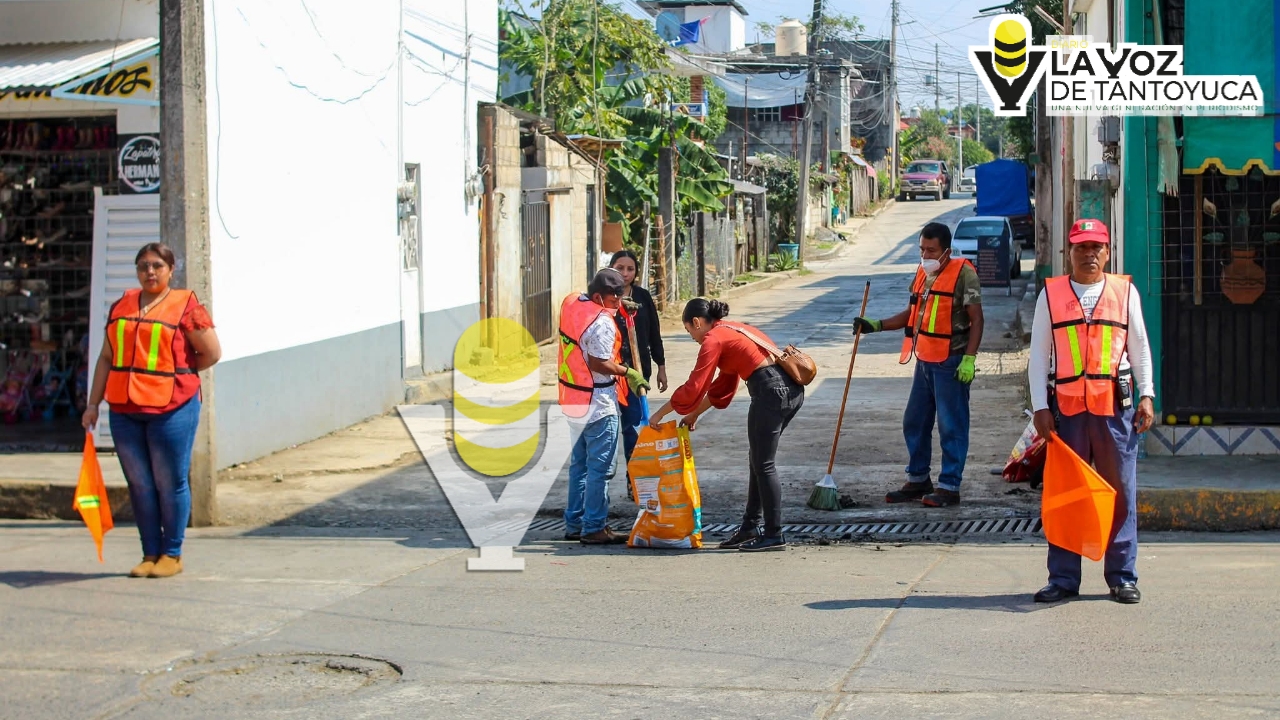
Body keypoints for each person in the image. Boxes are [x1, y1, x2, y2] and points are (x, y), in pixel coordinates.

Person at [1029, 218, 1154, 605]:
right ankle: (1063, 578)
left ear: (1107, 252)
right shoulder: (1050, 295)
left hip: (1114, 410)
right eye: (1081, 247)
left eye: (1095, 247)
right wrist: (1039, 407)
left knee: (1121, 492)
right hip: (1067, 412)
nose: (1089, 254)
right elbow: (1039, 356)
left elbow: (1139, 346)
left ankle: (1122, 576)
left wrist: (1147, 394)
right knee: (1068, 494)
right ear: (1069, 252)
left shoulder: (1125, 292)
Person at [81, 243, 221, 579]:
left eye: (157, 265)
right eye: (143, 266)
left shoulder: (186, 306)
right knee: (139, 484)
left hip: (172, 407)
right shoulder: (122, 305)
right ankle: (149, 553)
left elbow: (212, 353)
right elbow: (106, 358)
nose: (150, 272)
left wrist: (179, 375)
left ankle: (172, 553)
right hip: (124, 408)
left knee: (169, 481)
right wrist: (92, 404)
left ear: (171, 270)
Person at [649, 299, 804, 552]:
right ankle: (750, 528)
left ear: (696, 322)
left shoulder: (713, 339)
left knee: (763, 464)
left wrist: (659, 413)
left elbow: (694, 386)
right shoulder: (733, 329)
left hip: (770, 392)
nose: (693, 338)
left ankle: (774, 535)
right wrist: (694, 415)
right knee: (758, 460)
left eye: (689, 331)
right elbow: (723, 387)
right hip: (789, 390)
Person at [852, 221, 984, 507]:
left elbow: (977, 319)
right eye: (922, 249)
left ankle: (949, 486)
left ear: (947, 251)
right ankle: (918, 478)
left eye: (931, 250)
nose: (925, 255)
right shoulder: (923, 273)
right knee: (914, 421)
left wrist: (969, 358)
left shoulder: (964, 274)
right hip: (924, 359)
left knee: (951, 425)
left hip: (951, 361)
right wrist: (876, 325)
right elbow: (911, 314)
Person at [557, 268, 649, 545]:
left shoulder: (572, 303)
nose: (617, 304)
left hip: (573, 398)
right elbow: (599, 362)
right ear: (598, 297)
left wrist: (618, 308)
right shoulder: (602, 323)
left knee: (580, 466)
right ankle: (594, 527)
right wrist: (627, 372)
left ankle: (575, 523)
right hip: (598, 403)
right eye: (613, 300)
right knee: (601, 469)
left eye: (621, 298)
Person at [607, 250, 668, 480]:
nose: (625, 273)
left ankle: (635, 480)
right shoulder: (602, 298)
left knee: (633, 428)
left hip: (637, 373)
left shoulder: (642, 297)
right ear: (611, 268)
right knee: (609, 428)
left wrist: (661, 366)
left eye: (630, 269)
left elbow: (654, 333)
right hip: (608, 372)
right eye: (620, 268)